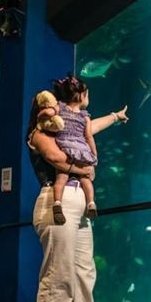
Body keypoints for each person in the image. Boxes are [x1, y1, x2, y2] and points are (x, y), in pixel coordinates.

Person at [26, 86, 128, 302]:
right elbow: (55, 158)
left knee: (84, 271)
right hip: (55, 200)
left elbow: (90, 127)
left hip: (81, 202)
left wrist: (115, 117)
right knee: (57, 273)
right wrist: (84, 169)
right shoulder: (39, 133)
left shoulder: (72, 128)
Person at [49, 75, 100, 223]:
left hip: (64, 147)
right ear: (82, 96)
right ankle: (91, 203)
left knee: (61, 177)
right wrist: (94, 155)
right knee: (86, 179)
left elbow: (50, 113)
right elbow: (89, 137)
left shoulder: (60, 108)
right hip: (81, 150)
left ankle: (57, 203)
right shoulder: (85, 117)